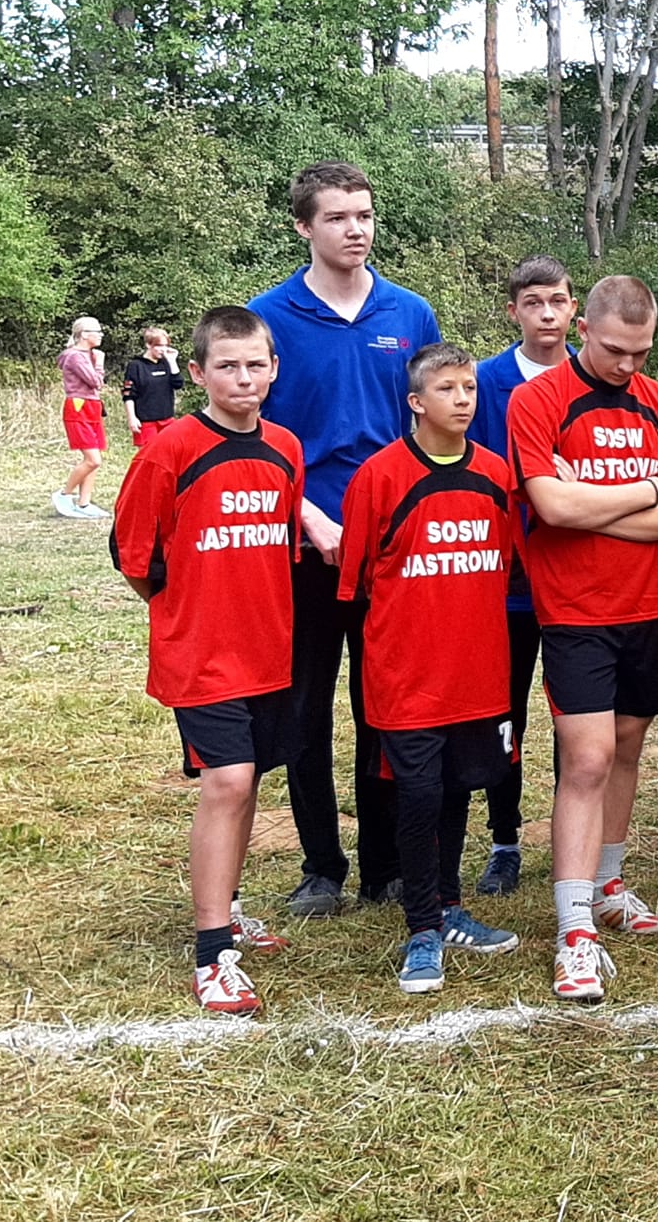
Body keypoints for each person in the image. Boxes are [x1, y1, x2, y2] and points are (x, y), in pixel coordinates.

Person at [250, 160, 442, 919]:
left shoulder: (410, 313)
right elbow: (253, 438)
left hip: (390, 549)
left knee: (384, 706)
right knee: (304, 710)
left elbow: (430, 426)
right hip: (304, 547)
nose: (354, 229)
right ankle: (321, 867)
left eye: (363, 215)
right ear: (304, 226)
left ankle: (386, 866)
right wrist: (307, 514)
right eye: (336, 217)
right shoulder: (269, 317)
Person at [507, 275, 658, 1003]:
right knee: (586, 760)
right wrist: (647, 492)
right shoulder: (539, 400)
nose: (628, 365)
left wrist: (594, 504)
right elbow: (550, 507)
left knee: (624, 749)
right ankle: (574, 930)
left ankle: (609, 885)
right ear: (584, 330)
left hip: (648, 608)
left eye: (641, 352)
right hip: (575, 611)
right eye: (616, 350)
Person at [111, 305, 304, 1015]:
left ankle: (229, 905)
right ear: (196, 373)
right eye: (227, 366)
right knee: (228, 780)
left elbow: (281, 546)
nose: (242, 378)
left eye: (255, 365)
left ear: (274, 369)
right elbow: (133, 556)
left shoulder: (286, 447)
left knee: (248, 784)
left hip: (268, 649)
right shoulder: (171, 450)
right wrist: (184, 611)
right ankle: (212, 952)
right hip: (201, 653)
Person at [338, 344, 523, 993]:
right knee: (416, 795)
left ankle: (449, 908)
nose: (463, 398)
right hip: (407, 677)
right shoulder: (380, 477)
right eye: (446, 388)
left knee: (457, 788)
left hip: (477, 675)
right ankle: (421, 928)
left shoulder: (497, 474)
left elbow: (506, 566)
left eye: (469, 386)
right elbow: (358, 581)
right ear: (416, 401)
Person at [466, 255, 577, 896]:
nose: (546, 314)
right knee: (503, 713)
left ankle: (571, 837)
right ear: (514, 311)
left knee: (576, 716)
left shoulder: (592, 378)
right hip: (504, 578)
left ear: (573, 309)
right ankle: (503, 840)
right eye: (533, 303)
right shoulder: (485, 383)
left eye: (557, 301)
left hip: (574, 575)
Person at [54, 316, 110, 519]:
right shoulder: (74, 356)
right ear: (84, 335)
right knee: (93, 460)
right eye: (98, 332)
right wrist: (100, 363)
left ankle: (84, 503)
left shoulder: (89, 355)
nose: (101, 335)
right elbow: (96, 382)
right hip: (78, 407)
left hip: (92, 406)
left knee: (95, 459)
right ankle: (64, 495)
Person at [121, 328, 183, 448]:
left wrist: (172, 361)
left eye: (166, 346)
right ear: (148, 345)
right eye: (159, 346)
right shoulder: (136, 366)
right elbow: (128, 394)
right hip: (146, 421)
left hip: (167, 419)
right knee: (149, 455)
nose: (163, 350)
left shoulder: (166, 363)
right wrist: (132, 418)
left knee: (169, 454)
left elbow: (178, 384)